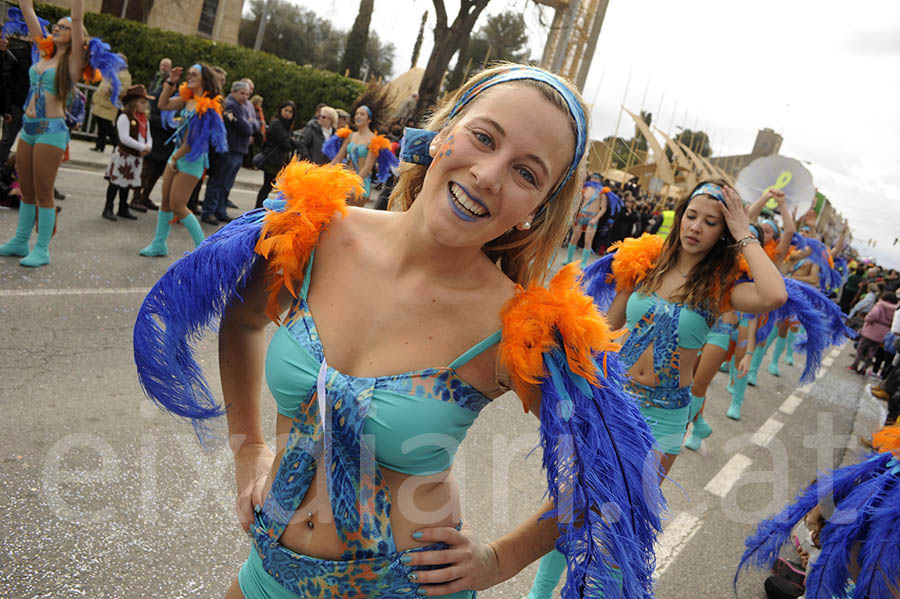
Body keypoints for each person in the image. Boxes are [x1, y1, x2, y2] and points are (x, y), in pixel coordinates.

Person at [134, 64, 666, 599]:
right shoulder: (316, 232)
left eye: (527, 173)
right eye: (484, 138)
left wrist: (499, 560)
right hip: (269, 568)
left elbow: (615, 473)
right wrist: (248, 448)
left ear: (537, 210)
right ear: (442, 134)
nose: (488, 174)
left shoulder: (521, 329)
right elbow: (245, 320)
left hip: (404, 586)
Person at [0, 1, 123, 267]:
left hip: (51, 131)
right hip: (29, 128)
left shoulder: (74, 62)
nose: (58, 28)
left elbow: (78, 20)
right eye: (57, 25)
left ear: (74, 35)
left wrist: (76, 12)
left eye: (64, 27)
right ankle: (21, 241)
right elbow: (28, 11)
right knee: (27, 190)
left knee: (45, 192)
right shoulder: (43, 52)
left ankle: (42, 248)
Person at [138, 62, 226, 257]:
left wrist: (176, 158)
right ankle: (159, 244)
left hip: (191, 158)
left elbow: (193, 141)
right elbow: (162, 104)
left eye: (194, 74)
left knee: (178, 205)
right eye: (189, 73)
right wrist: (170, 82)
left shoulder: (207, 106)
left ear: (205, 79)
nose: (190, 76)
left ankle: (204, 249)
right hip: (178, 155)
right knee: (166, 203)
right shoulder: (188, 99)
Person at [328, 86, 395, 206]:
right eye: (357, 114)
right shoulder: (350, 135)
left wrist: (352, 183)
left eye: (362, 114)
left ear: (369, 119)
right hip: (345, 181)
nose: (358, 116)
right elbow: (338, 158)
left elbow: (368, 167)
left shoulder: (373, 140)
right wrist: (325, 171)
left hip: (360, 184)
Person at [201, 80, 253, 225]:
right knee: (218, 182)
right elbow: (247, 128)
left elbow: (253, 125)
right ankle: (209, 211)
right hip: (229, 150)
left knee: (226, 184)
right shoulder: (231, 106)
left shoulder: (243, 107)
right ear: (234, 92)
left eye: (247, 94)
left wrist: (249, 123)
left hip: (238, 150)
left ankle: (220, 210)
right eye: (241, 93)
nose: (244, 97)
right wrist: (248, 123)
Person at [101, 84, 152, 221]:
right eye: (142, 102)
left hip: (135, 157)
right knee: (116, 183)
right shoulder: (124, 117)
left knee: (127, 184)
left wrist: (148, 145)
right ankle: (108, 208)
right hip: (124, 156)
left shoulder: (143, 119)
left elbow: (148, 135)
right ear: (133, 102)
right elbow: (124, 138)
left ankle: (123, 208)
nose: (145, 105)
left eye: (145, 102)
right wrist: (142, 147)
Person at [253, 100, 297, 209]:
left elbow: (290, 142)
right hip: (272, 161)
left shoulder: (287, 126)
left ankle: (260, 208)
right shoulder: (277, 123)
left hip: (280, 161)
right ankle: (258, 209)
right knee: (267, 187)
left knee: (270, 187)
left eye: (290, 112)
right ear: (280, 110)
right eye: (286, 110)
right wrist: (292, 141)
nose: (288, 113)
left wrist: (291, 141)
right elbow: (285, 143)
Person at [849, 292, 898, 375]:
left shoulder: (880, 305)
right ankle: (864, 369)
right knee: (872, 352)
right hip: (883, 332)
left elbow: (873, 315)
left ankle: (855, 365)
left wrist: (867, 320)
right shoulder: (895, 309)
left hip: (872, 329)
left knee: (861, 348)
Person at [90, 53, 131, 152]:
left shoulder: (125, 75)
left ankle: (116, 144)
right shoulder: (112, 70)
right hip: (101, 101)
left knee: (107, 125)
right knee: (101, 124)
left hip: (109, 103)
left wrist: (112, 90)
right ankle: (100, 145)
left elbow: (124, 89)